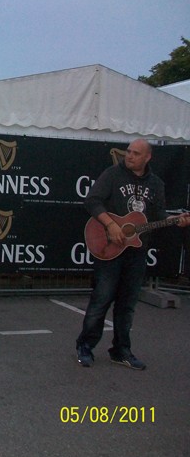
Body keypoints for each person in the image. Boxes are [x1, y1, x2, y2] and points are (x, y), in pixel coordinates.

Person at [76, 138, 190, 369]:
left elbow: (157, 215)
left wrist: (173, 220)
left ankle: (121, 350)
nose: (129, 156)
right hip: (109, 249)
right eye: (128, 151)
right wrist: (111, 225)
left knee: (127, 305)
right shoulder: (113, 174)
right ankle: (85, 346)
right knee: (101, 299)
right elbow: (93, 200)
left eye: (135, 153)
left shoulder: (156, 184)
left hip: (136, 251)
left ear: (147, 157)